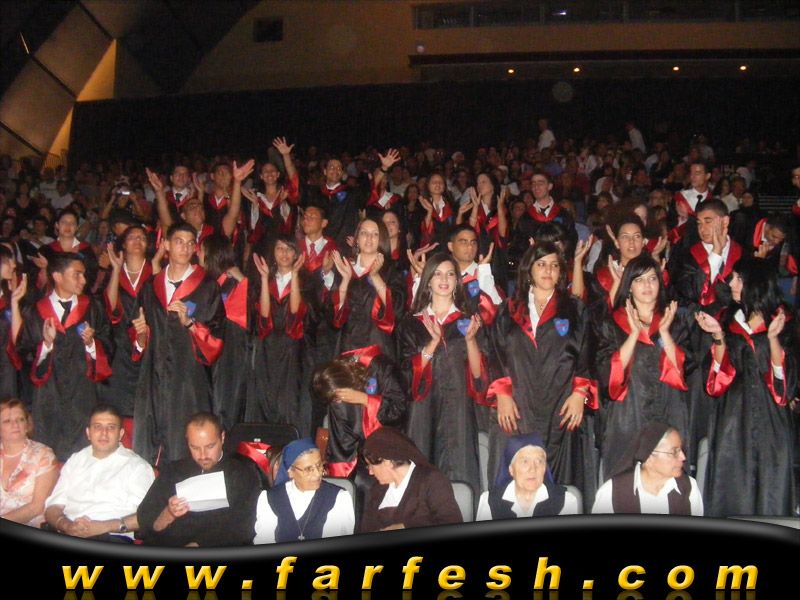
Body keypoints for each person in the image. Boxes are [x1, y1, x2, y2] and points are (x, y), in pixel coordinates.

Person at [488, 242, 597, 502]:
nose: (548, 270)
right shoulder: (509, 310)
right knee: (517, 474)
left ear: (561, 272)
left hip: (561, 404)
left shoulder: (575, 309)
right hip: (519, 405)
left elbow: (587, 355)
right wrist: (502, 394)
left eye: (554, 265)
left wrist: (580, 394)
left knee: (561, 483)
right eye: (541, 264)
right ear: (529, 270)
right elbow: (495, 353)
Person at [695, 258, 796, 517]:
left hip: (771, 419)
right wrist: (719, 338)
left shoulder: (784, 321)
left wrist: (772, 339)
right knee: (732, 488)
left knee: (770, 489)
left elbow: (785, 386)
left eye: (739, 279)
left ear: (756, 283)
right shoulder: (727, 319)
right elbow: (715, 383)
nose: (732, 284)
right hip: (732, 418)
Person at [131, 222, 224, 464]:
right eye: (179, 242)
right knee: (148, 442)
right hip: (153, 377)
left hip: (188, 380)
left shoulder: (207, 286)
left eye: (190, 243)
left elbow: (216, 341)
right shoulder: (150, 287)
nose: (185, 248)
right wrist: (140, 337)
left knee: (184, 444)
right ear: (166, 245)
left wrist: (190, 323)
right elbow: (139, 338)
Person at [399, 252, 489, 494]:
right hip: (423, 410)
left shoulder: (469, 321)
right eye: (437, 274)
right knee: (421, 480)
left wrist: (470, 340)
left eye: (450, 274)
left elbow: (479, 374)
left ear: (457, 282)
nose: (444, 279)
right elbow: (407, 375)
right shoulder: (412, 323)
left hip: (459, 407)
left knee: (460, 475)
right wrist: (432, 344)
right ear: (427, 280)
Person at [595, 255, 692, 476]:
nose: (647, 285)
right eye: (639, 280)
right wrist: (634, 334)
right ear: (628, 286)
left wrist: (665, 333)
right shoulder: (611, 323)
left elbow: (682, 372)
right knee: (626, 482)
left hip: (669, 409)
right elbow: (608, 374)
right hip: (628, 414)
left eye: (652, 279)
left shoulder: (673, 320)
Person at [17, 252, 113, 461]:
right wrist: (46, 345)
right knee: (48, 456)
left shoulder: (93, 307)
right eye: (77, 274)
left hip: (82, 395)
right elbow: (23, 354)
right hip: (48, 396)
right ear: (57, 276)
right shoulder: (36, 311)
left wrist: (92, 344)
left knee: (83, 455)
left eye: (84, 274)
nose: (84, 280)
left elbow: (109, 345)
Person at [136, 412, 260, 547]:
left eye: (210, 446)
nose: (203, 455)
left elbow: (245, 527)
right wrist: (169, 513)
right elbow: (146, 519)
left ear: (222, 438)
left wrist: (199, 545)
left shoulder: (242, 473)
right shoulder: (173, 471)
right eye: (194, 448)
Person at [43, 405, 155, 541]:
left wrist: (103, 526)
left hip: (111, 537)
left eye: (111, 427)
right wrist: (66, 525)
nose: (104, 433)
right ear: (88, 433)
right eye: (97, 427)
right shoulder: (75, 460)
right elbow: (53, 507)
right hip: (68, 532)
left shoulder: (137, 466)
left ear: (120, 434)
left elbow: (147, 516)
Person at [312, 348, 407, 478]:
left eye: (338, 398)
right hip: (363, 454)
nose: (337, 402)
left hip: (392, 447)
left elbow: (398, 409)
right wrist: (340, 481)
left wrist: (366, 400)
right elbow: (342, 441)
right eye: (334, 400)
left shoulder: (380, 367)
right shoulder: (336, 391)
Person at [99, 225, 157, 418]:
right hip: (121, 346)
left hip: (149, 345)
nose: (138, 241)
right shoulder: (116, 273)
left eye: (142, 237)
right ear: (123, 243)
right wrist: (116, 270)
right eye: (132, 237)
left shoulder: (155, 270)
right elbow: (110, 308)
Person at [329, 218, 406, 360]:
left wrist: (375, 276)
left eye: (375, 234)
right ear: (357, 239)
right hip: (348, 346)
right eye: (364, 233)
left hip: (378, 349)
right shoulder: (346, 268)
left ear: (382, 239)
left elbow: (397, 309)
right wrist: (345, 281)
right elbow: (335, 318)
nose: (369, 238)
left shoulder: (391, 271)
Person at [359, 426, 462, 532]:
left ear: (387, 462)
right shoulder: (377, 490)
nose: (370, 472)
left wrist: (405, 527)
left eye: (371, 465)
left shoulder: (432, 481)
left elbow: (452, 522)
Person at [253, 438, 354, 544]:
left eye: (319, 465)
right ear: (290, 471)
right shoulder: (270, 498)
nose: (317, 474)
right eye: (308, 469)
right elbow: (263, 541)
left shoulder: (339, 498)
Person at [591, 421, 703, 515]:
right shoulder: (612, 492)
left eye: (681, 450)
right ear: (649, 458)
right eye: (674, 452)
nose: (683, 457)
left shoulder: (689, 487)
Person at [476, 432, 580, 520]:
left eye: (539, 461)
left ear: (545, 468)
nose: (533, 469)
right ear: (511, 470)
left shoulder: (565, 501)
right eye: (525, 462)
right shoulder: (489, 501)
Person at [0, 398, 58, 527]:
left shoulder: (44, 455)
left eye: (20, 419)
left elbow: (37, 506)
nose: (15, 424)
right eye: (7, 421)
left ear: (27, 425)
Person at [0, 245, 25, 399]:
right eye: (9, 261)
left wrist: (15, 302)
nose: (14, 265)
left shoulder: (7, 297)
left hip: (7, 366)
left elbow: (19, 337)